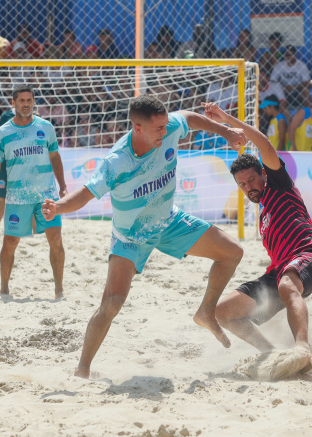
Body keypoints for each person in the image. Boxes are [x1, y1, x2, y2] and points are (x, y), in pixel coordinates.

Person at [39, 95, 247, 378]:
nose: (165, 131)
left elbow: (188, 117)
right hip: (130, 237)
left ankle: (206, 312)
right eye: (158, 128)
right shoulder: (117, 161)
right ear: (138, 128)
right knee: (112, 304)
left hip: (168, 222)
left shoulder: (169, 127)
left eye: (165, 125)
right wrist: (58, 207)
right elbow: (86, 194)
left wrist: (225, 131)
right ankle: (83, 369)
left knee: (232, 252)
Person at [202, 102, 312, 378]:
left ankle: (302, 349)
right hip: (282, 272)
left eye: (252, 179)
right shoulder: (264, 214)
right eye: (242, 184)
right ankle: (271, 353)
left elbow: (263, 144)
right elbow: (308, 230)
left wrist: (226, 119)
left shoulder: (279, 185)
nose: (249, 187)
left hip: (304, 263)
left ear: (263, 173)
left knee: (287, 282)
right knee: (222, 312)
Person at [0, 85, 67, 299]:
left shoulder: (46, 127)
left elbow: (55, 157)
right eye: (21, 100)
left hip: (46, 195)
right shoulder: (3, 133)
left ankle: (59, 290)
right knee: (10, 243)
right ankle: (4, 288)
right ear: (13, 103)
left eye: (29, 100)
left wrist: (63, 185)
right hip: (17, 197)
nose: (26, 104)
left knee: (56, 238)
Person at [0, 106, 16, 235]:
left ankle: (33, 231)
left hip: (25, 162)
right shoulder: (6, 117)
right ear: (14, 101)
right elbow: (0, 140)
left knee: (30, 198)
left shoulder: (35, 116)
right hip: (7, 162)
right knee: (2, 196)